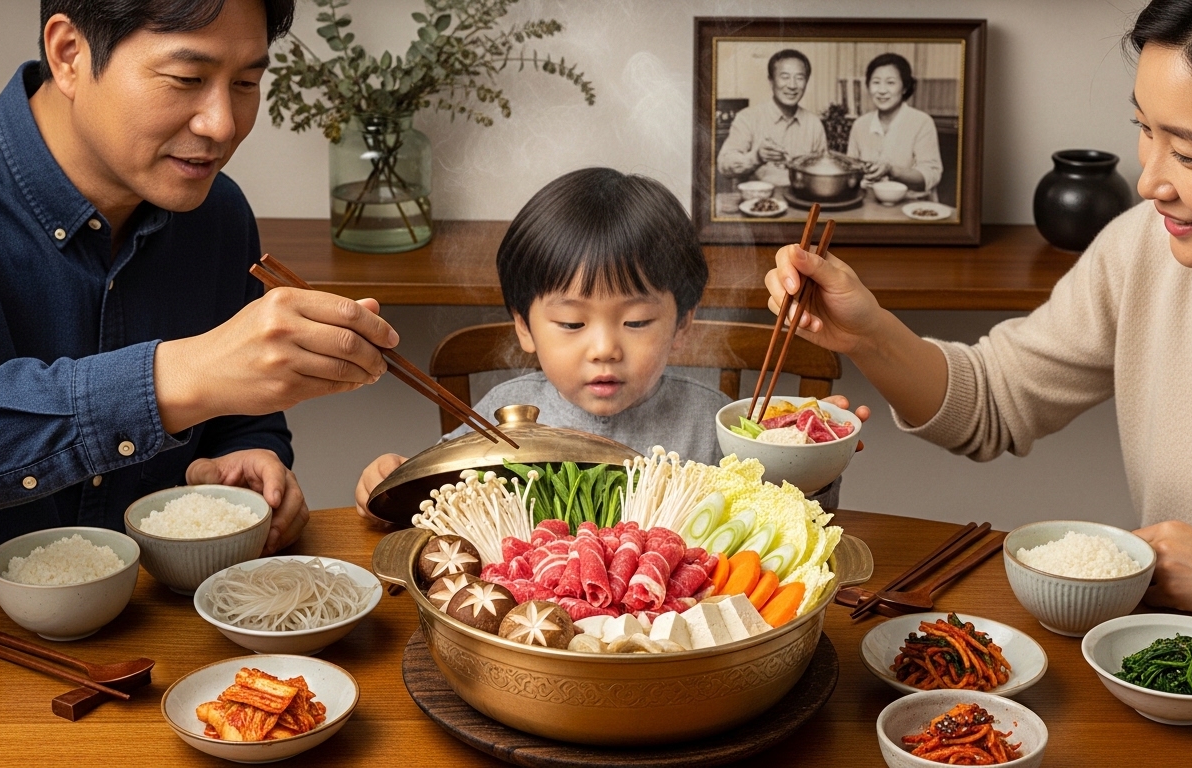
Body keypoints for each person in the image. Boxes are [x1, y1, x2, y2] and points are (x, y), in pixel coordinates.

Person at [766, 0, 1192, 626]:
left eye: (1191, 156)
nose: (1150, 182)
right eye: (1147, 130)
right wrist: (868, 333)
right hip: (1165, 664)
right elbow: (993, 403)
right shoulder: (1147, 244)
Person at [0, 0, 400, 582]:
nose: (221, 125)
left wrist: (248, 457)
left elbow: (238, 420)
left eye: (247, 82)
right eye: (187, 79)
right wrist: (172, 378)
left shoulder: (217, 212)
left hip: (161, 634)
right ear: (69, 53)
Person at [354, 167, 868, 519]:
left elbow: (795, 525)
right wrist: (391, 482)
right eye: (572, 325)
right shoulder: (501, 416)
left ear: (682, 323)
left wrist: (810, 463)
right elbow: (435, 499)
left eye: (639, 322)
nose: (604, 348)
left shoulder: (716, 428)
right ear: (525, 327)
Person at [716, 49, 828, 188]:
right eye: (785, 77)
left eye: (800, 78)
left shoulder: (814, 124)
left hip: (801, 200)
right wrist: (756, 157)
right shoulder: (747, 118)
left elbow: (823, 169)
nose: (792, 85)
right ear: (771, 81)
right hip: (756, 204)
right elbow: (723, 166)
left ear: (806, 82)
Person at [846, 52, 943, 200]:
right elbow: (850, 171)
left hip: (912, 207)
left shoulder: (922, 122)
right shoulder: (860, 125)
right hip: (868, 204)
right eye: (876, 82)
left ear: (904, 87)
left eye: (890, 83)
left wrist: (892, 170)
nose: (882, 90)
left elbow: (931, 176)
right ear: (868, 86)